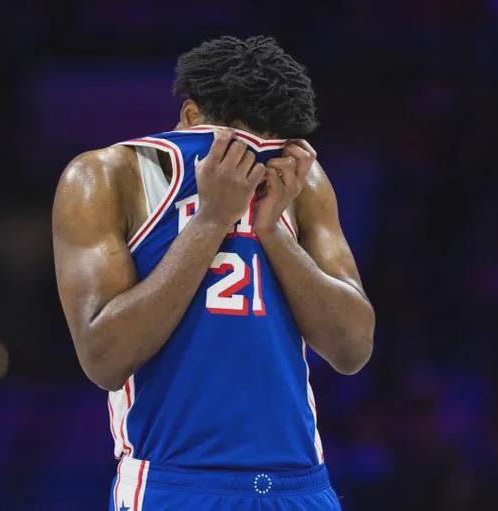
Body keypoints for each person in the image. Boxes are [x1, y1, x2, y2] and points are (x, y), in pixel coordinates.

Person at [53, 35, 375, 511]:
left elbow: (352, 349)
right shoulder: (107, 175)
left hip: (299, 484)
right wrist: (210, 221)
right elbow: (104, 359)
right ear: (190, 116)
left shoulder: (300, 182)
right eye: (239, 146)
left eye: (269, 150)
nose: (255, 163)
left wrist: (272, 231)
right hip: (175, 484)